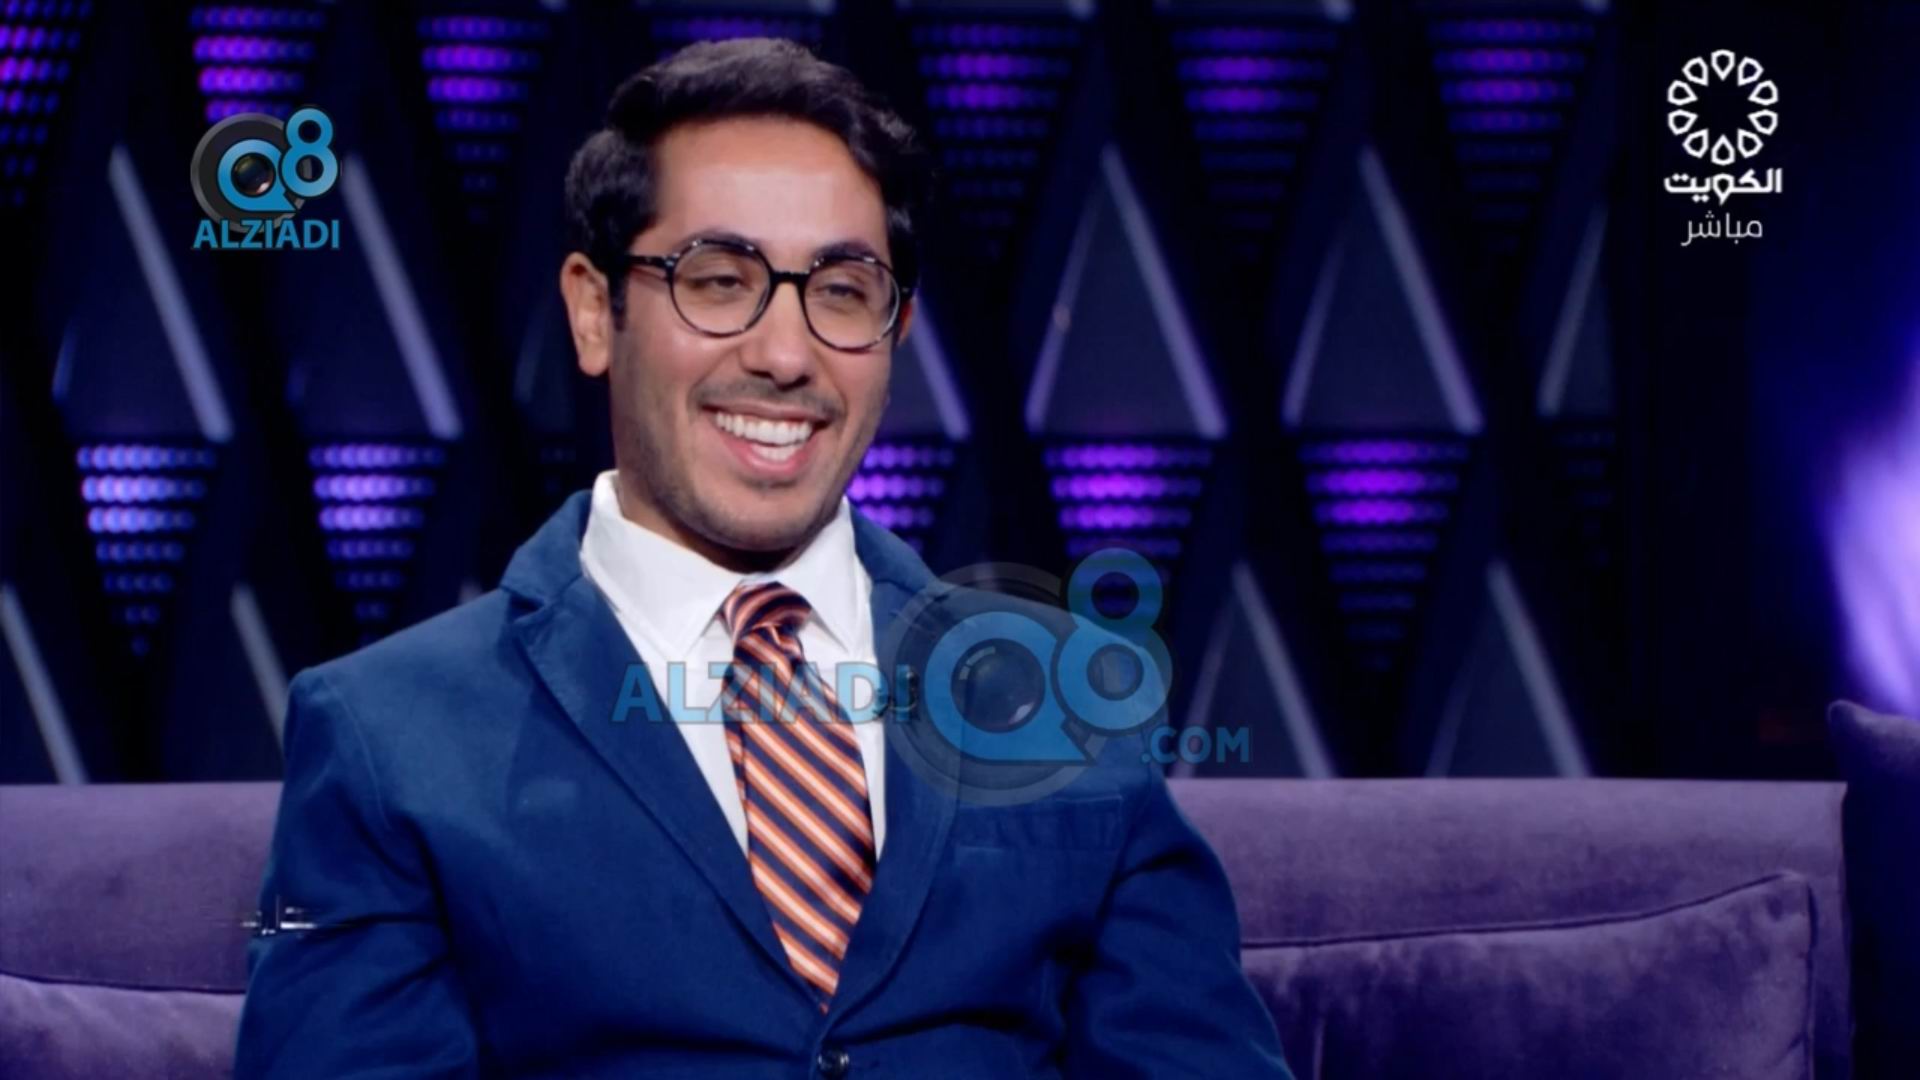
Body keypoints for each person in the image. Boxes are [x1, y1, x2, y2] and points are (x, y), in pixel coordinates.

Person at [235, 37, 1293, 1079]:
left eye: (841, 292)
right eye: (718, 279)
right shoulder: (388, 734)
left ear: (895, 334)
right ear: (595, 312)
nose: (785, 355)